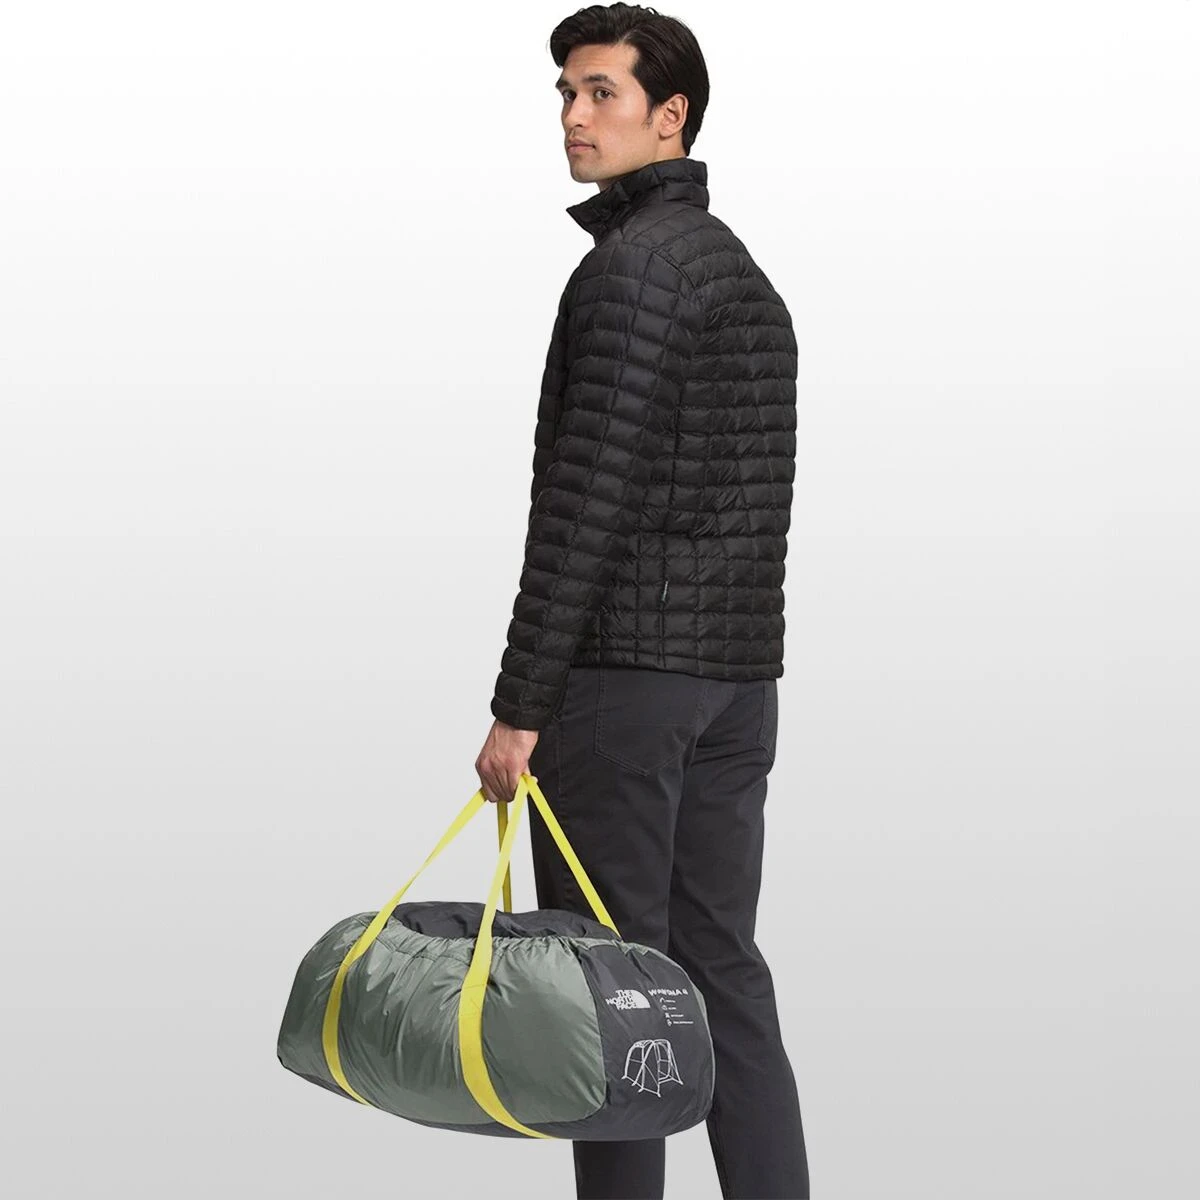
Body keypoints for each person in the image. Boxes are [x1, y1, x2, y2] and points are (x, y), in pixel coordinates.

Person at [475, 5, 809, 1197]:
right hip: (735, 689)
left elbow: (585, 503)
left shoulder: (629, 273)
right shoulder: (738, 272)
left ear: (671, 116)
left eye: (601, 93)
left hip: (624, 690)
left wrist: (521, 705)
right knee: (718, 972)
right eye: (566, 93)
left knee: (609, 993)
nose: (574, 116)